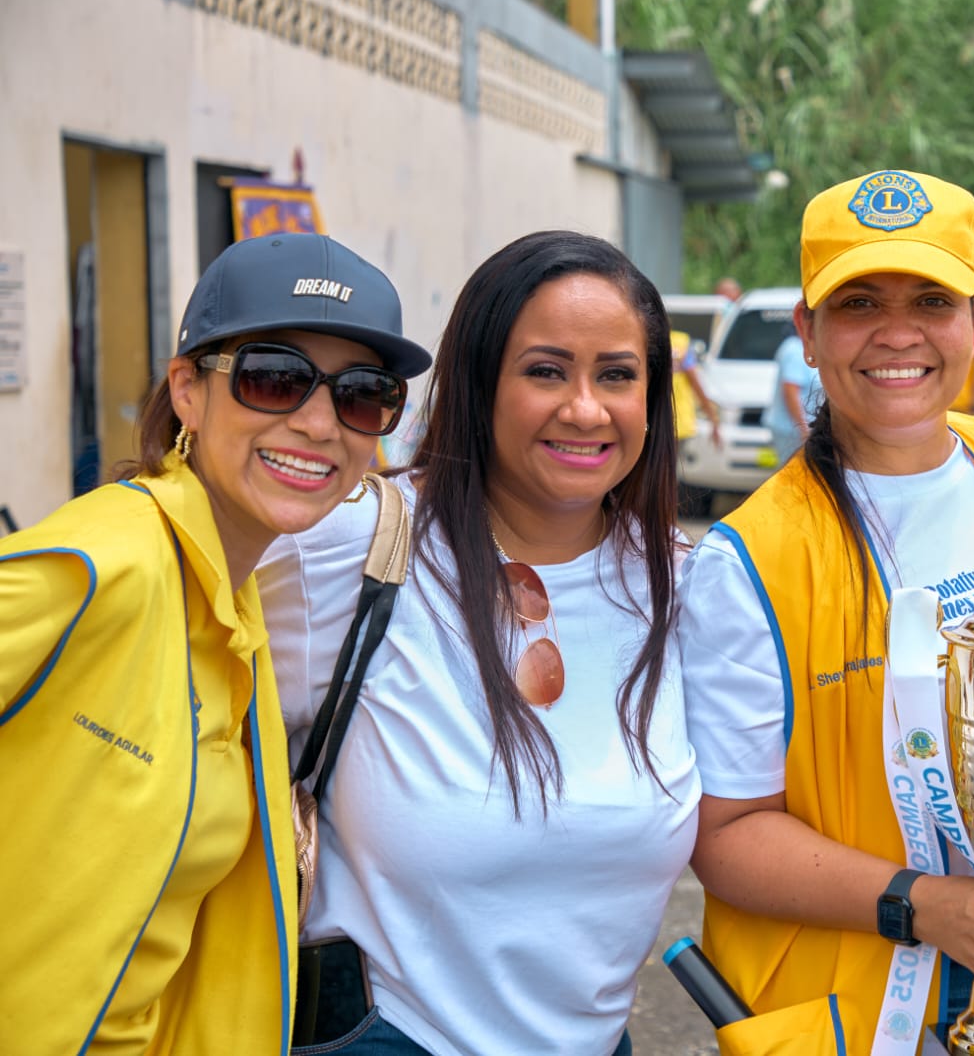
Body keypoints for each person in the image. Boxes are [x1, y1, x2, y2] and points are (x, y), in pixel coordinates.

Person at [257, 230, 700, 1055]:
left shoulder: (688, 588)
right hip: (388, 1036)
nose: (585, 407)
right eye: (544, 371)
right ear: (478, 382)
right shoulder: (348, 548)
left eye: (617, 374)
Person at [0, 231, 430, 1053]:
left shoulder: (232, 604)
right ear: (187, 390)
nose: (317, 424)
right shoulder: (104, 566)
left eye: (362, 395)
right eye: (275, 378)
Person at [679, 169, 974, 1050]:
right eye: (859, 302)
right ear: (808, 334)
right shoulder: (750, 558)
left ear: (973, 320)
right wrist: (931, 908)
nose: (899, 334)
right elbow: (728, 834)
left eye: (931, 299)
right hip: (877, 1015)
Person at [762, 331, 824, 462]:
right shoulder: (795, 350)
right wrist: (804, 430)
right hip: (792, 431)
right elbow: (790, 392)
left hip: (802, 429)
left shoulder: (809, 348)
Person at [671, 327, 722, 447]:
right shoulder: (681, 343)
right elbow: (696, 384)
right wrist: (713, 419)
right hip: (679, 422)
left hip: (652, 422)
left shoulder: (647, 339)